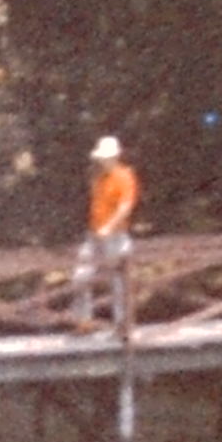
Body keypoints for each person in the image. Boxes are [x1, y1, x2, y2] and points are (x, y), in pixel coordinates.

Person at [73, 134, 139, 331]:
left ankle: (122, 325)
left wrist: (109, 227)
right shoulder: (97, 177)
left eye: (106, 157)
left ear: (115, 157)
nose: (103, 161)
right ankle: (84, 321)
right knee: (80, 276)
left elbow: (125, 207)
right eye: (101, 158)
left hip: (116, 236)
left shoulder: (125, 176)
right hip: (93, 234)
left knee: (118, 280)